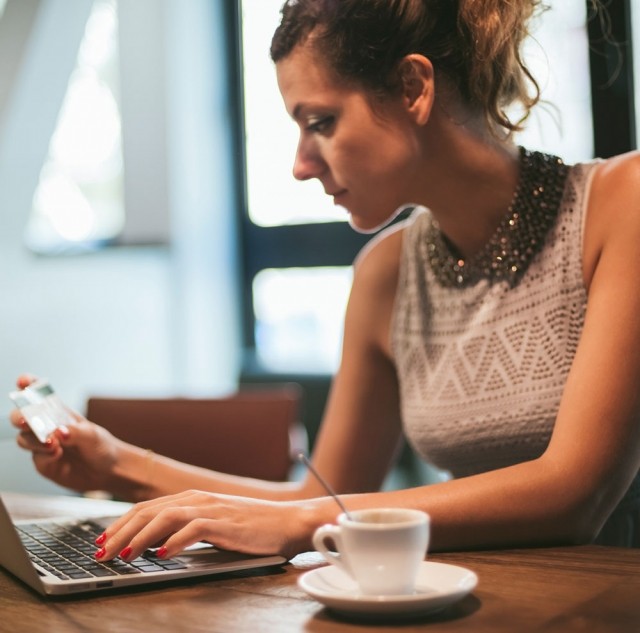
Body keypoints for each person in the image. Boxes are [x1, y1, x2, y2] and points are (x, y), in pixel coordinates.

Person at [10, 0, 640, 563]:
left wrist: (303, 523)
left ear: (413, 87)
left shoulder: (622, 205)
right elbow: (322, 494)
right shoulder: (386, 274)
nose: (300, 165)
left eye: (320, 122)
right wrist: (114, 463)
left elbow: (572, 492)